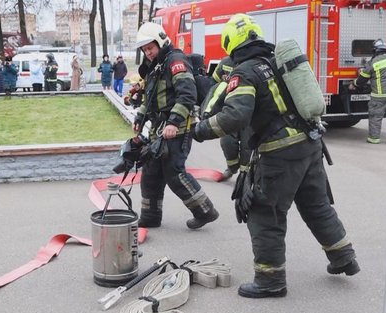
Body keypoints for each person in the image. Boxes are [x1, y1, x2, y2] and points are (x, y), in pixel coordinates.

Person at [193, 14, 359, 298]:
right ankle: (344, 257)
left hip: (280, 154)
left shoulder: (244, 72)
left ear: (230, 44)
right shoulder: (277, 63)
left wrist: (201, 129)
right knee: (316, 206)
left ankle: (270, 281)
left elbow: (235, 116)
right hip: (310, 145)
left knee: (263, 212)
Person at [133, 22, 219, 229]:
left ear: (160, 42)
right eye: (145, 50)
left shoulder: (176, 61)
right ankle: (150, 217)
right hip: (158, 129)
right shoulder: (156, 66)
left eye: (150, 48)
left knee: (174, 173)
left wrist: (173, 122)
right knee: (151, 172)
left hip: (177, 129)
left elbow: (187, 95)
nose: (148, 53)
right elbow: (150, 97)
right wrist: (140, 118)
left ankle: (205, 211)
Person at [349, 38, 386, 145]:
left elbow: (363, 78)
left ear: (375, 51)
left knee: (375, 117)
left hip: (379, 96)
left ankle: (374, 138)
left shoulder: (373, 62)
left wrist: (354, 84)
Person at [211, 55, 252, 182]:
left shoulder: (252, 63)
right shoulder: (225, 62)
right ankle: (232, 167)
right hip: (229, 111)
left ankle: (245, 175)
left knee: (247, 145)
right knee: (226, 142)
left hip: (249, 112)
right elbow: (214, 83)